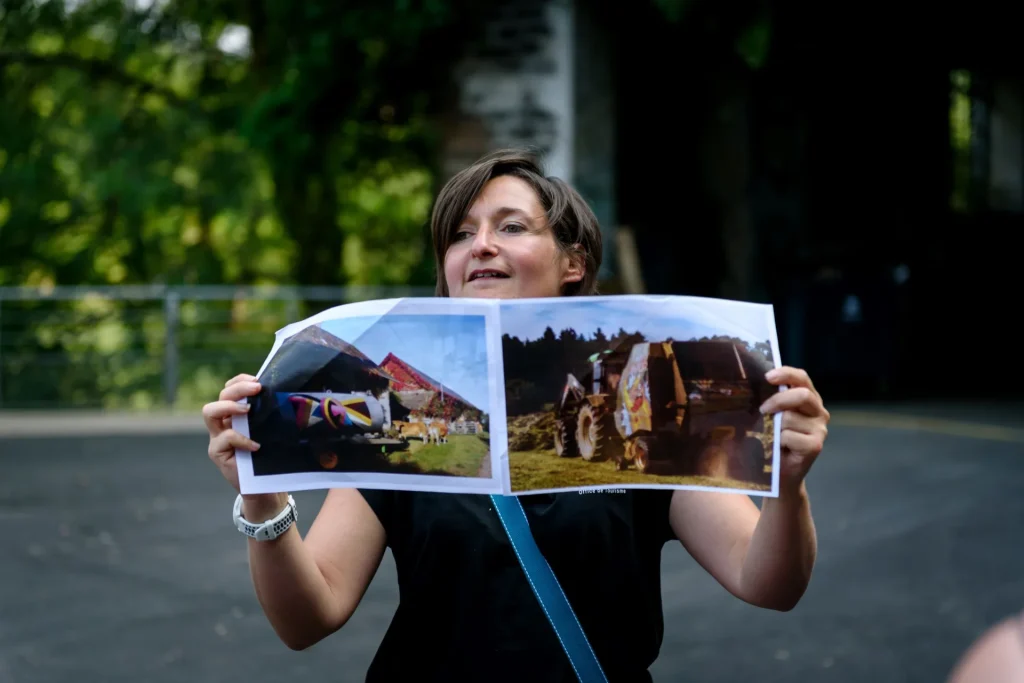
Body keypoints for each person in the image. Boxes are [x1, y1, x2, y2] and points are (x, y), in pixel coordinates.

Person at [202, 149, 831, 682]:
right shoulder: (398, 418)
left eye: (511, 227)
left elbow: (768, 584)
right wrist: (263, 503)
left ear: (573, 262)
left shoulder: (634, 408)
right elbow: (308, 620)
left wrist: (789, 484)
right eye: (458, 234)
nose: (479, 246)